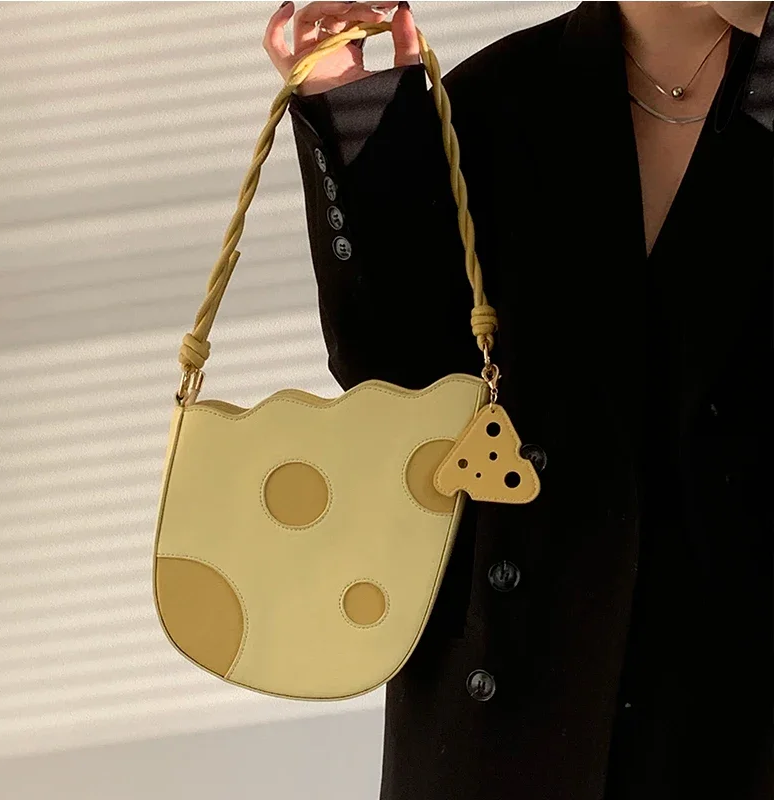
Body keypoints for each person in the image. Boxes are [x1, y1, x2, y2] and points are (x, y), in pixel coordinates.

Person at [263, 2, 774, 798]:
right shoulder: (498, 98)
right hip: (515, 711)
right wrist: (350, 105)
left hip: (734, 703)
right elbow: (398, 377)